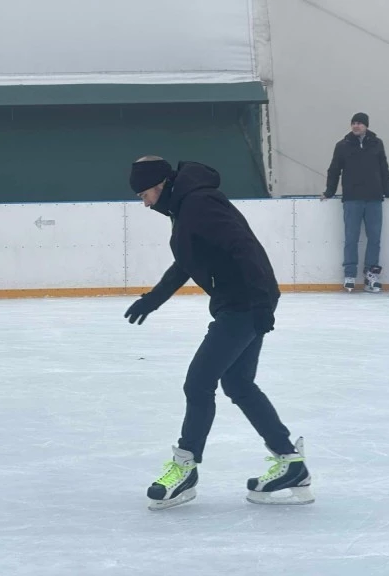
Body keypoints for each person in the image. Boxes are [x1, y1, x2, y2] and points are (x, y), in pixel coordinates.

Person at [125, 156, 313, 510]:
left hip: (244, 302)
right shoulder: (185, 205)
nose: (144, 203)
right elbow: (187, 260)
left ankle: (185, 469)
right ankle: (291, 463)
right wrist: (154, 299)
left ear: (160, 185)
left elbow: (242, 246)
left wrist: (259, 304)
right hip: (240, 300)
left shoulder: (198, 203)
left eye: (144, 194)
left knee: (199, 383)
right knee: (238, 383)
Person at [322, 112, 389, 292]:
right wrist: (329, 192)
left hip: (374, 199)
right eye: (354, 123)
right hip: (352, 199)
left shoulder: (377, 144)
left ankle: (371, 275)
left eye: (360, 123)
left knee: (374, 239)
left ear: (366, 125)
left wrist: (388, 192)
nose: (356, 126)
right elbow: (334, 170)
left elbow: (384, 169)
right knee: (351, 238)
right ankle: (349, 274)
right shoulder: (342, 146)